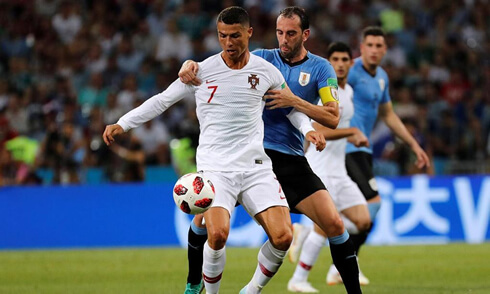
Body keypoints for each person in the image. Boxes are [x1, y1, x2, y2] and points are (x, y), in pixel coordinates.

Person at [103, 7, 325, 294]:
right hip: (216, 169)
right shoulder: (202, 71)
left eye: (235, 36)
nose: (229, 43)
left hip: (256, 167)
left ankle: (251, 290)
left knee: (283, 237)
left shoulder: (266, 71)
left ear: (249, 33)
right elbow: (162, 100)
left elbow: (290, 106)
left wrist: (308, 131)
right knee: (218, 235)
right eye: (222, 36)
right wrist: (123, 123)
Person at [179, 6, 363, 294]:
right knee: (204, 217)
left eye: (291, 34)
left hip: (290, 158)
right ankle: (193, 282)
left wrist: (296, 101)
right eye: (279, 32)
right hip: (247, 157)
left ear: (306, 34)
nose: (283, 40)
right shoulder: (262, 58)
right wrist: (190, 64)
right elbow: (218, 63)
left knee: (335, 224)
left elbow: (332, 116)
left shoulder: (320, 69)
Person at [340, 26, 430, 284]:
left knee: (364, 216)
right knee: (373, 204)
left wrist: (414, 145)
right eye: (370, 45)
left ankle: (333, 246)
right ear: (361, 46)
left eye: (379, 46)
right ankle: (342, 257)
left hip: (363, 150)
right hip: (346, 147)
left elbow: (389, 115)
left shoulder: (382, 77)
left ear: (385, 49)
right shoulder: (349, 70)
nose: (375, 50)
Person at [287, 42, 372, 292]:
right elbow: (320, 129)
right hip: (320, 167)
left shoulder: (349, 92)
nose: (341, 64)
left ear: (350, 63)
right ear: (329, 63)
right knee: (325, 227)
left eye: (345, 59)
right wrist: (352, 131)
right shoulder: (324, 92)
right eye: (335, 59)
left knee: (363, 220)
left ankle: (305, 233)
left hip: (340, 171)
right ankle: (298, 279)